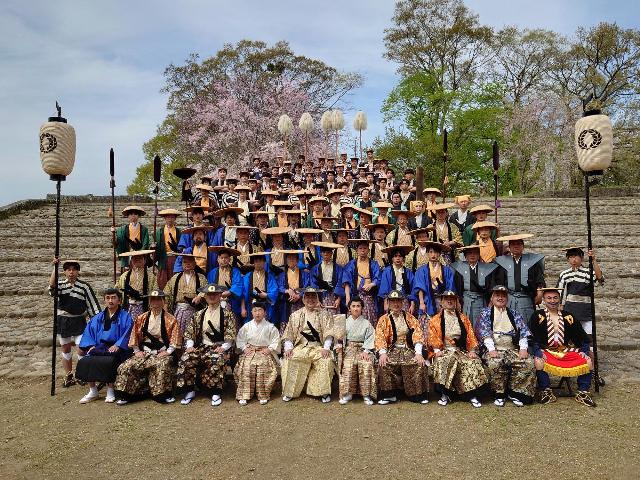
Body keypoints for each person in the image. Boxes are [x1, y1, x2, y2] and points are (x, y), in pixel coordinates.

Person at [530, 287, 596, 407]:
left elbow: (582, 337)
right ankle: (546, 390)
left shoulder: (568, 316)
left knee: (587, 361)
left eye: (555, 298)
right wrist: (538, 352)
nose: (552, 301)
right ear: (544, 300)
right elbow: (532, 338)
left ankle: (583, 392)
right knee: (538, 361)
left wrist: (584, 351)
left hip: (563, 350)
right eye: (549, 298)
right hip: (546, 349)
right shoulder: (537, 315)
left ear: (560, 299)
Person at [114, 290, 181, 405]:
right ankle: (126, 395)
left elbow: (175, 339)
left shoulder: (171, 319)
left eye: (158, 299)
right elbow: (134, 335)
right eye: (152, 299)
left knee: (162, 365)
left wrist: (168, 351)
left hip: (162, 351)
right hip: (144, 351)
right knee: (125, 366)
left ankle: (162, 395)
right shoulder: (141, 318)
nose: (155, 302)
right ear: (149, 301)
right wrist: (136, 351)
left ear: (163, 301)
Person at [176, 284, 237, 406]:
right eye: (209, 295)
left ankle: (215, 392)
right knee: (186, 358)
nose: (212, 297)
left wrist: (223, 347)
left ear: (220, 296)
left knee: (216, 359)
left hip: (219, 347)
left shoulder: (228, 314)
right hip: (203, 346)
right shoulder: (199, 314)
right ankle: (190, 390)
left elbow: (231, 335)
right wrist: (189, 346)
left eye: (215, 294)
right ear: (205, 297)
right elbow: (190, 332)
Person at [475, 286, 536, 406]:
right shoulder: (485, 313)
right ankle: (499, 394)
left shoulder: (514, 313)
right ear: (492, 298)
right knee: (495, 362)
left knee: (527, 362)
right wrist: (491, 349)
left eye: (503, 296)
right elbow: (484, 332)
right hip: (494, 348)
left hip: (512, 348)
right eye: (497, 295)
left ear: (507, 299)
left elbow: (522, 331)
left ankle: (516, 393)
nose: (500, 298)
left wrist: (523, 348)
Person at [428, 291, 487, 408]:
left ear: (456, 301)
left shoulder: (464, 318)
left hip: (461, 350)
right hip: (444, 350)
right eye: (446, 299)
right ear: (442, 302)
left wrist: (472, 351)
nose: (449, 301)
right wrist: (436, 351)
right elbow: (432, 337)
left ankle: (471, 394)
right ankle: (445, 394)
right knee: (444, 361)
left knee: (472, 362)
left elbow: (471, 336)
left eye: (452, 299)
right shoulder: (435, 320)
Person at [48, 259, 101, 387]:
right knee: (65, 348)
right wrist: (55, 267)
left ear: (78, 271)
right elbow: (52, 288)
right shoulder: (61, 285)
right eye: (68, 269)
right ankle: (69, 375)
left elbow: (92, 305)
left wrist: (97, 321)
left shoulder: (84, 286)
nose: (71, 272)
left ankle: (82, 374)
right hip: (63, 321)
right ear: (65, 272)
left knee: (81, 349)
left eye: (74, 269)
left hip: (78, 320)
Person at [76, 288, 133, 404]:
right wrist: (90, 346)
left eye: (113, 298)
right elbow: (89, 332)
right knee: (86, 361)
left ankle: (110, 390)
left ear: (119, 301)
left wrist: (118, 345)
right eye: (108, 298)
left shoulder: (125, 316)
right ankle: (93, 390)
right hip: (99, 347)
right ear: (104, 301)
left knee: (109, 361)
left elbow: (128, 332)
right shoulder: (97, 318)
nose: (110, 301)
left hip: (116, 348)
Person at [281, 287, 336, 403]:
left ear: (317, 299)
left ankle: (322, 392)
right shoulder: (295, 315)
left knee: (326, 360)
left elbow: (329, 332)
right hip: (301, 347)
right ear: (303, 299)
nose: (310, 299)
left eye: (313, 297)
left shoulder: (324, 314)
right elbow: (289, 333)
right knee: (290, 358)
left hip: (318, 347)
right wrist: (288, 348)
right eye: (308, 297)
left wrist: (326, 347)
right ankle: (290, 392)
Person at [374, 290, 429, 404]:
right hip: (391, 349)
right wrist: (383, 353)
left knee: (417, 363)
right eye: (393, 301)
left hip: (408, 349)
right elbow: (380, 337)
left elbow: (417, 333)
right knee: (385, 363)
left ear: (402, 302)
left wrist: (418, 353)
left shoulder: (410, 318)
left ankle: (417, 394)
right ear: (388, 303)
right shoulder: (383, 319)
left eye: (398, 301)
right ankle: (389, 395)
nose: (396, 304)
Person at [234, 299, 281, 405]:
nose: (257, 313)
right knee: (246, 366)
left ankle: (263, 394)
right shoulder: (246, 326)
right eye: (255, 310)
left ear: (265, 312)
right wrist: (244, 348)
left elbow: (276, 340)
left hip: (264, 352)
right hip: (250, 351)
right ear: (251, 312)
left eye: (260, 310)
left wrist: (269, 349)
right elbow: (240, 339)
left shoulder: (270, 327)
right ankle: (244, 394)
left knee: (262, 367)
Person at [557, 246, 604, 349]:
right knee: (569, 338)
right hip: (569, 310)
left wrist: (593, 259)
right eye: (571, 257)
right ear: (567, 259)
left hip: (585, 310)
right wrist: (560, 307)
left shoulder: (588, 272)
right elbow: (560, 292)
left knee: (588, 337)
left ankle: (589, 359)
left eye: (576, 257)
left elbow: (599, 278)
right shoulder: (564, 274)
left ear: (582, 258)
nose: (574, 259)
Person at [494, 233, 545, 323]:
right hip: (508, 298)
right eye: (513, 244)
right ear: (509, 247)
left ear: (523, 246)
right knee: (508, 323)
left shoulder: (532, 261)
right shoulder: (502, 262)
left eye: (518, 244)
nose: (516, 246)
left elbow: (539, 279)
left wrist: (540, 294)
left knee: (527, 323)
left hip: (526, 297)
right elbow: (499, 281)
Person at [336, 297, 377, 405]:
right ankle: (347, 393)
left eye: (358, 306)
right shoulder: (344, 322)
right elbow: (339, 338)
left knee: (366, 364)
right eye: (353, 306)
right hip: (349, 348)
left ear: (362, 308)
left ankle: (366, 395)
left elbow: (371, 338)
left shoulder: (367, 323)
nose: (356, 308)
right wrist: (340, 346)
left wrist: (366, 351)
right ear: (349, 308)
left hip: (363, 349)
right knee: (349, 365)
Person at [452, 244, 499, 325]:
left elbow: (491, 287)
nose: (472, 255)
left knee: (481, 323)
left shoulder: (486, 268)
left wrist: (491, 302)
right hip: (466, 300)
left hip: (481, 300)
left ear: (479, 255)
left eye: (475, 253)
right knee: (467, 323)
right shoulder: (460, 268)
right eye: (469, 253)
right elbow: (457, 287)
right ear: (465, 256)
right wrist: (457, 301)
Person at [165, 253, 208, 335]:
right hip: (179, 311)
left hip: (195, 311)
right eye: (185, 262)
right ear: (181, 264)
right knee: (177, 334)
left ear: (195, 264)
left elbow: (206, 290)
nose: (187, 264)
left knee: (193, 334)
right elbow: (167, 293)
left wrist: (200, 296)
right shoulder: (175, 277)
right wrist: (166, 312)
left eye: (190, 262)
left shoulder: (201, 277)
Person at [343, 238, 381, 327]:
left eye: (365, 248)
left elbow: (378, 278)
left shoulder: (374, 264)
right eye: (360, 248)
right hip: (355, 296)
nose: (363, 250)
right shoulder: (352, 264)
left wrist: (372, 284)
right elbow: (346, 281)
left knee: (370, 318)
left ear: (368, 250)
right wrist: (348, 298)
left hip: (369, 296)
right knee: (354, 318)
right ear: (357, 250)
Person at [116, 249, 158, 321]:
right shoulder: (124, 276)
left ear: (144, 261)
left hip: (144, 306)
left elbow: (155, 292)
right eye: (135, 258)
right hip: (128, 306)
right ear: (131, 261)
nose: (137, 260)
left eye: (140, 258)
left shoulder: (151, 276)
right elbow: (118, 290)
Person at [207, 246, 244, 320]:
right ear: (218, 259)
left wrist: (229, 292)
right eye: (221, 258)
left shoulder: (235, 271)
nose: (224, 260)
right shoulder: (212, 272)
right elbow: (209, 287)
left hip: (231, 301)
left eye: (226, 258)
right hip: (216, 300)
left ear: (229, 259)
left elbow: (238, 284)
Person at [240, 252, 279, 323]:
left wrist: (266, 295)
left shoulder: (269, 276)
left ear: (264, 262)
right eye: (256, 261)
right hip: (250, 304)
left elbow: (274, 291)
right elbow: (243, 293)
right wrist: (243, 308)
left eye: (260, 261)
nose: (258, 263)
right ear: (253, 263)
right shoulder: (247, 276)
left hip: (264, 304)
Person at [378, 245, 416, 315]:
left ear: (403, 258)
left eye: (400, 256)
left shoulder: (408, 272)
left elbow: (413, 288)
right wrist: (385, 303)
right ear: (392, 258)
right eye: (395, 256)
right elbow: (384, 288)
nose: (398, 258)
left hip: (404, 300)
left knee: (404, 321)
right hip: (391, 300)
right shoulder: (387, 271)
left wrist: (412, 304)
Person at [310, 241, 345, 314]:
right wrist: (317, 300)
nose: (326, 254)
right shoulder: (315, 268)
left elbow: (340, 283)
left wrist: (338, 299)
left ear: (331, 254)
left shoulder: (338, 268)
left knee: (334, 317)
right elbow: (313, 284)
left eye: (328, 252)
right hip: (320, 296)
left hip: (334, 294)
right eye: (324, 252)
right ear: (321, 253)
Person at [113, 206, 150, 271]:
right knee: (127, 275)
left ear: (138, 216)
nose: (133, 216)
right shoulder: (122, 229)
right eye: (131, 214)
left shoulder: (144, 229)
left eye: (135, 214)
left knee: (141, 273)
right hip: (128, 252)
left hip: (140, 253)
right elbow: (117, 242)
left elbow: (145, 242)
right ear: (128, 216)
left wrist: (141, 252)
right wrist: (113, 234)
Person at [153, 208, 183, 289]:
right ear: (165, 219)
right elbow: (155, 245)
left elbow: (181, 246)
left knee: (175, 277)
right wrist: (153, 247)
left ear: (175, 218)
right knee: (162, 279)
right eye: (168, 217)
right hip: (163, 257)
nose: (170, 219)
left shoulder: (178, 231)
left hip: (174, 257)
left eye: (172, 217)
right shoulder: (159, 232)